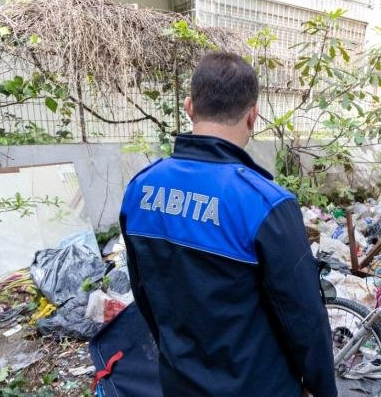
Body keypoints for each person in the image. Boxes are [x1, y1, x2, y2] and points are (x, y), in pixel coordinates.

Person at [119, 51, 337, 397]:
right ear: (253, 117)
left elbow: (143, 293)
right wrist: (323, 389)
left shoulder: (140, 190)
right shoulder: (265, 204)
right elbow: (304, 319)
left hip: (179, 382)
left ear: (189, 107)